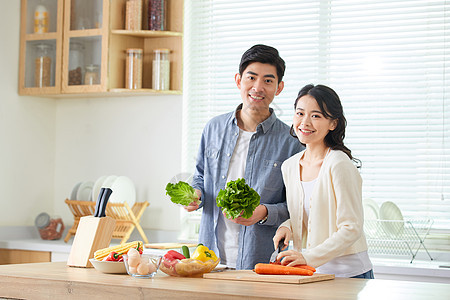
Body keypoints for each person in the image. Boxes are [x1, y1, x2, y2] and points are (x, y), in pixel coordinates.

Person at [185, 44, 304, 270]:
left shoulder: (292, 142)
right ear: (239, 80)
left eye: (268, 81)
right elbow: (200, 177)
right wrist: (196, 194)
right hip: (209, 259)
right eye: (251, 77)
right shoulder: (213, 128)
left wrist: (264, 212)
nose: (258, 87)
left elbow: (298, 207)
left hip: (261, 262)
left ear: (279, 88)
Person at [272, 84, 374, 278]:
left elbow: (351, 227)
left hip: (349, 274)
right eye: (300, 113)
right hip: (312, 273)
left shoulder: (338, 164)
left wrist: (308, 257)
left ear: (333, 124)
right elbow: (313, 213)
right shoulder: (290, 166)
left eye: (316, 116)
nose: (305, 122)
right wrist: (288, 226)